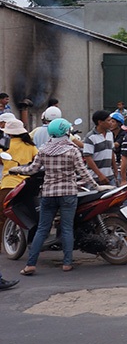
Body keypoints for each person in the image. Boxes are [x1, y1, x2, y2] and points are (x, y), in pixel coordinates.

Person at [11, 118, 100, 275]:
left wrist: (17, 169)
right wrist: (96, 186)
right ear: (66, 132)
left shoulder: (44, 149)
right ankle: (67, 263)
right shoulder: (73, 150)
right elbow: (83, 172)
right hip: (68, 194)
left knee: (42, 229)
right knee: (66, 228)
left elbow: (32, 169)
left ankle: (31, 264)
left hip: (48, 194)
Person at [0, 119, 38, 234]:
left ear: (9, 133)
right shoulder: (30, 146)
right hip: (26, 185)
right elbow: (36, 161)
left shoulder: (5, 145)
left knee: (2, 215)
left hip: (8, 184)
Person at [83, 111, 116, 185]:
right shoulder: (90, 137)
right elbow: (88, 158)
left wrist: (115, 172)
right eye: (108, 120)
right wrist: (100, 175)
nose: (111, 122)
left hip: (110, 177)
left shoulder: (110, 134)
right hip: (95, 179)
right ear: (100, 122)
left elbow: (111, 153)